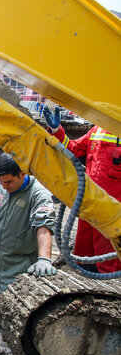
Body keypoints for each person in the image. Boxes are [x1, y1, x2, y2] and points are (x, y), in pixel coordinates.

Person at [0, 153, 56, 353]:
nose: (4, 187)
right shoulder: (3, 185)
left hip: (18, 265)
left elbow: (43, 226)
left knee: (8, 313)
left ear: (22, 173)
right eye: (1, 182)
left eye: (8, 182)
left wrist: (44, 258)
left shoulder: (38, 194)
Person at [43, 106, 121, 273]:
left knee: (108, 260)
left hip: (111, 213)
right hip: (89, 206)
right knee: (84, 255)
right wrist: (56, 130)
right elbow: (72, 149)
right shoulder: (96, 131)